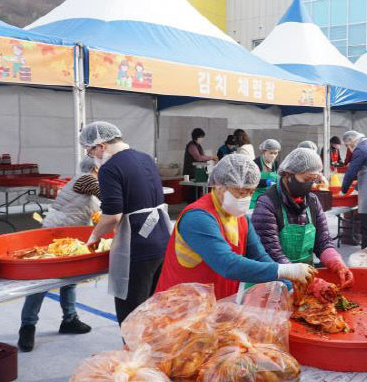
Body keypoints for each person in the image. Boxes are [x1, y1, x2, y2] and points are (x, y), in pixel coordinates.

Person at [155, 154, 315, 298]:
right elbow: (227, 264)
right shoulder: (198, 218)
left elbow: (260, 256)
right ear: (219, 186)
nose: (246, 198)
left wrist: (289, 286)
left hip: (215, 307)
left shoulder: (240, 218)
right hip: (180, 309)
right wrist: (285, 270)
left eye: (251, 192)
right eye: (241, 192)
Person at [82, 122, 171, 325]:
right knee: (154, 310)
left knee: (132, 316)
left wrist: (93, 237)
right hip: (162, 239)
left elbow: (113, 216)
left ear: (101, 146)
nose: (92, 157)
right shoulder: (145, 158)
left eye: (90, 151)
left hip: (138, 244)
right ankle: (155, 354)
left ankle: (135, 356)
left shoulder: (110, 168)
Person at [17, 158, 98, 352]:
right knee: (42, 282)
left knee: (70, 279)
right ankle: (27, 326)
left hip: (71, 236)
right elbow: (109, 195)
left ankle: (69, 320)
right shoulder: (86, 179)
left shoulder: (84, 181)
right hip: (56, 235)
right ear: (96, 166)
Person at [252, 148, 354, 290]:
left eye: (313, 180)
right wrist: (304, 278)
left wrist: (337, 263)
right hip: (273, 286)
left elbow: (323, 241)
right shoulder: (268, 203)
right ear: (288, 174)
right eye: (306, 179)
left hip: (305, 282)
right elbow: (270, 252)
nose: (309, 185)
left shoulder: (312, 201)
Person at [183, 128, 217, 203]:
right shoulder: (192, 146)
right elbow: (198, 157)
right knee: (193, 192)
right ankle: (192, 206)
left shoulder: (198, 145)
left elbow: (202, 156)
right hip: (191, 173)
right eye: (201, 137)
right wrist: (211, 157)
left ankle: (197, 205)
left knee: (198, 191)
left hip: (196, 172)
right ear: (197, 137)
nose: (202, 139)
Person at [251, 139, 281, 207]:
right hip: (255, 197)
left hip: (269, 197)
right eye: (271, 153)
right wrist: (266, 182)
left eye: (275, 153)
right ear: (264, 151)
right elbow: (251, 182)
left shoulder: (275, 164)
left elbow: (278, 178)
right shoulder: (256, 163)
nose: (273, 155)